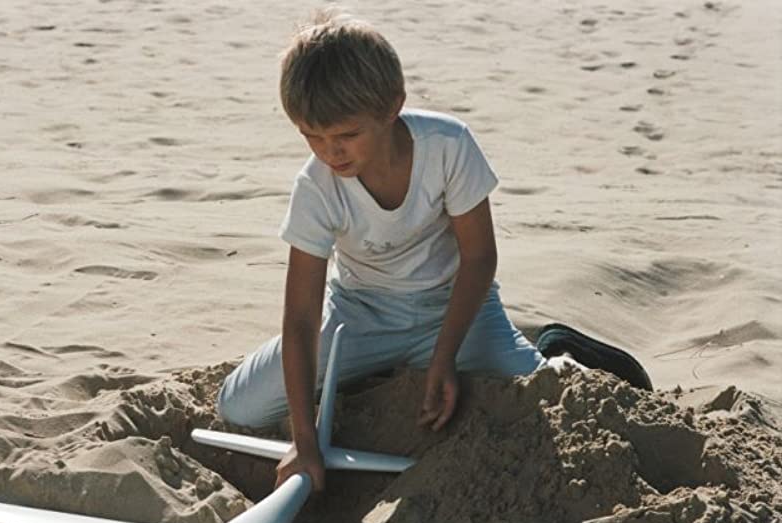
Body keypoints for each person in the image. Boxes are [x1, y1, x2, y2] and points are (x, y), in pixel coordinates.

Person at [216, 9, 649, 492]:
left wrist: (444, 357)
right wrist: (303, 439)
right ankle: (384, 366)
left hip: (457, 309)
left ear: (391, 106)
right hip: (361, 315)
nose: (329, 152)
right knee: (239, 406)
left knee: (546, 393)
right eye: (311, 136)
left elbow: (480, 257)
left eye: (346, 135)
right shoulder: (316, 188)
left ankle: (559, 349)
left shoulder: (448, 146)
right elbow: (300, 316)